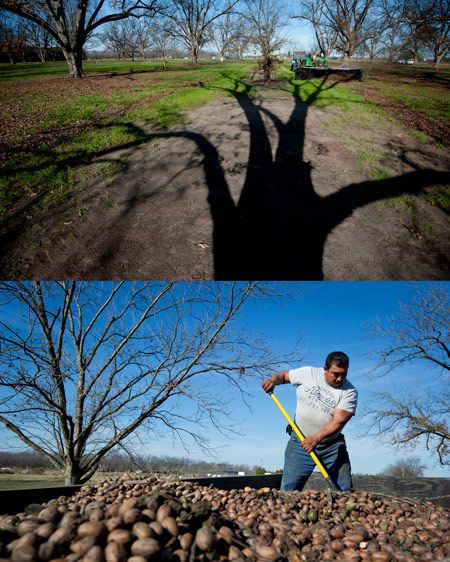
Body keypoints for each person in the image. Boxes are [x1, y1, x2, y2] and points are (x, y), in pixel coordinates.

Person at [261, 351, 357, 492]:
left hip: (331, 446)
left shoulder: (350, 392)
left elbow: (338, 423)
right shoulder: (308, 373)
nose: (339, 379)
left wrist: (316, 438)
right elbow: (283, 376)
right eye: (335, 374)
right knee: (288, 490)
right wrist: (272, 380)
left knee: (344, 490)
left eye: (344, 374)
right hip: (300, 441)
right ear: (325, 369)